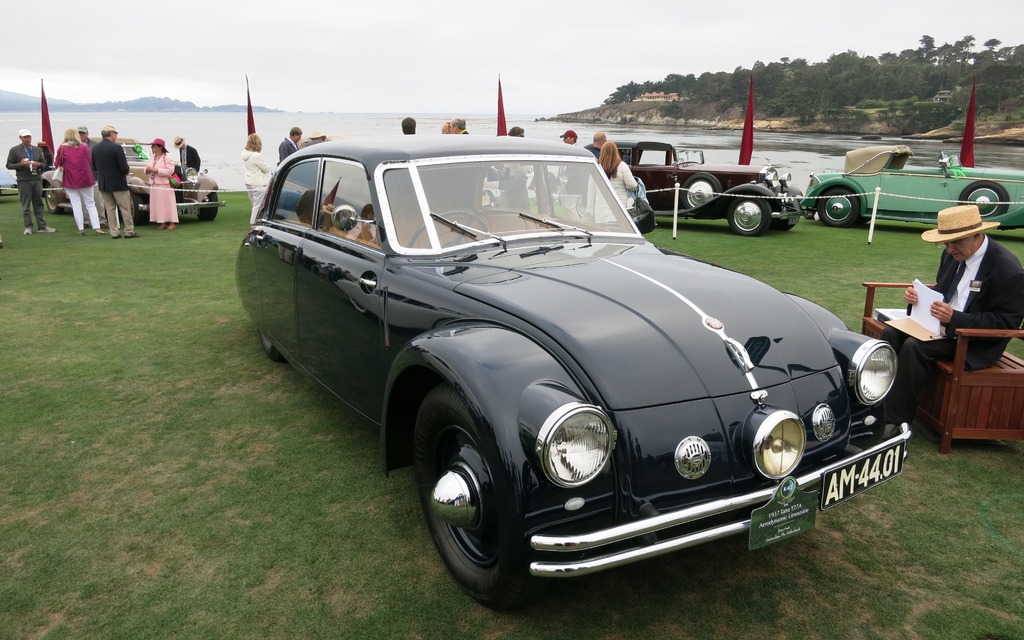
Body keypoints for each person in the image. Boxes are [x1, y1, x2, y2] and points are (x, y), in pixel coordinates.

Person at [880, 204, 1024, 433]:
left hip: (974, 341)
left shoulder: (1008, 271)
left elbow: (1007, 322)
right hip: (940, 328)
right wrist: (916, 299)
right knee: (889, 333)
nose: (950, 249)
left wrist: (955, 318)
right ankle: (874, 398)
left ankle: (894, 420)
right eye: (946, 243)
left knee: (914, 347)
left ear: (977, 236)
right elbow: (942, 292)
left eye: (956, 242)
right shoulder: (952, 257)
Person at [54, 128, 105, 236]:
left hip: (70, 179)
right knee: (91, 204)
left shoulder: (62, 148)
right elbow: (90, 161)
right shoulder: (83, 148)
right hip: (85, 178)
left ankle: (81, 228)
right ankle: (97, 228)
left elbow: (57, 163)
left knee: (76, 205)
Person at [91, 125, 139, 239]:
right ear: (112, 134)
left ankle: (114, 232)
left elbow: (94, 166)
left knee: (110, 208)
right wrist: (126, 171)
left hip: (104, 183)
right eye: (115, 133)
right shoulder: (116, 148)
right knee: (125, 207)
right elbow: (123, 167)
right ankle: (129, 231)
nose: (116, 136)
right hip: (118, 182)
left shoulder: (96, 148)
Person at [6, 129, 55, 234]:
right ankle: (28, 227)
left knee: (39, 203)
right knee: (26, 205)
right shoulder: (14, 150)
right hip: (23, 180)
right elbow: (9, 165)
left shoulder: (37, 150)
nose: (27, 139)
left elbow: (45, 163)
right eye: (25, 137)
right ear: (21, 138)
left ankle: (42, 226)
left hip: (36, 179)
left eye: (29, 137)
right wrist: (20, 164)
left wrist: (39, 164)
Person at [144, 138, 178, 230]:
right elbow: (146, 167)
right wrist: (148, 170)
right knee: (158, 204)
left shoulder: (167, 158)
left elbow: (170, 171)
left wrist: (157, 170)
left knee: (168, 203)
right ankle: (162, 222)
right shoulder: (152, 158)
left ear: (160, 147)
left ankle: (172, 223)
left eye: (153, 146)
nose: (152, 148)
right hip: (154, 183)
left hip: (164, 184)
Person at [242, 133, 273, 225]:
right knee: (258, 205)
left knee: (255, 205)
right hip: (258, 183)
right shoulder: (257, 156)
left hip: (249, 182)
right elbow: (266, 169)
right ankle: (253, 224)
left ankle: (256, 222)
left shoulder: (245, 154)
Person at [599, 141, 638, 209]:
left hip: (601, 206)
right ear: (616, 152)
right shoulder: (622, 166)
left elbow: (591, 191)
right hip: (620, 206)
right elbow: (632, 185)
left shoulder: (598, 168)